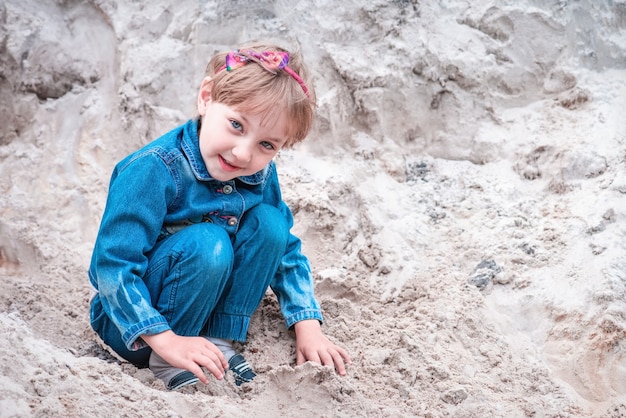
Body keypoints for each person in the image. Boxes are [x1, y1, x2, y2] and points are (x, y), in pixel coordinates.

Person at [88, 42, 351, 390]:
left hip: (204, 304)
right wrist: (166, 340)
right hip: (135, 329)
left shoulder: (258, 173)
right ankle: (167, 358)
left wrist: (308, 326)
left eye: (267, 145)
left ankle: (218, 340)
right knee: (208, 241)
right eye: (236, 125)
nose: (243, 153)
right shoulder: (155, 169)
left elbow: (285, 249)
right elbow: (112, 266)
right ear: (206, 97)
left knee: (270, 224)